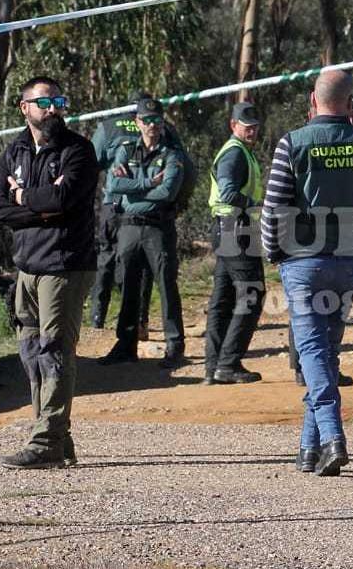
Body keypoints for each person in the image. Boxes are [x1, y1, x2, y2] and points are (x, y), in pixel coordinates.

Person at [261, 69, 353, 477]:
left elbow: (273, 209)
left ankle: (332, 436)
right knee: (325, 352)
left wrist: (273, 252)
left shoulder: (294, 142)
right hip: (348, 262)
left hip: (304, 261)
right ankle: (309, 449)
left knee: (312, 353)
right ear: (350, 104)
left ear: (312, 100)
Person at [0, 76, 98, 469]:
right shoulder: (14, 150)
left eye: (59, 101)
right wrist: (38, 207)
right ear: (24, 107)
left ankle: (47, 439)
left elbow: (64, 199)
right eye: (44, 102)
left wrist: (24, 196)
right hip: (26, 267)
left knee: (55, 351)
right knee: (32, 352)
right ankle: (54, 434)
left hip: (64, 265)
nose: (52, 108)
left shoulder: (78, 151)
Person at [98, 98, 189, 368]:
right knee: (128, 285)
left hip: (157, 228)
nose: (152, 125)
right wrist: (148, 182)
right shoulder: (127, 149)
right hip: (128, 226)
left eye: (157, 120)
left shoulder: (172, 154)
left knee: (166, 286)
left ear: (163, 123)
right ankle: (126, 344)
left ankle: (175, 346)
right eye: (146, 120)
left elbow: (167, 192)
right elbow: (114, 185)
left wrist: (133, 188)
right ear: (137, 122)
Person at [203, 101, 266, 385]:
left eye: (255, 126)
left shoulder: (240, 152)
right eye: (246, 126)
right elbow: (228, 193)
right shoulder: (235, 155)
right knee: (252, 295)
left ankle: (214, 365)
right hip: (237, 230)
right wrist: (256, 205)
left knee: (223, 300)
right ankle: (227, 364)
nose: (252, 131)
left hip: (227, 230)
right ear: (233, 125)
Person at [87, 93, 151, 330]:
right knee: (139, 262)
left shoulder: (108, 127)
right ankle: (139, 319)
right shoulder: (156, 125)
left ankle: (97, 317)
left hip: (112, 205)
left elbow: (90, 164)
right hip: (143, 206)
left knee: (106, 257)